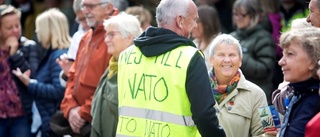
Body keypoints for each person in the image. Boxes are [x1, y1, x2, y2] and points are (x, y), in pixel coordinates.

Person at [116, 0, 226, 136]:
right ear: (180, 21)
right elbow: (204, 115)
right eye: (194, 20)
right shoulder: (190, 57)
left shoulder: (126, 56)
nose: (196, 25)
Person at [58, 0, 118, 136]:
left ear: (108, 7)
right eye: (84, 6)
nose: (85, 11)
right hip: (80, 122)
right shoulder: (86, 37)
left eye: (90, 6)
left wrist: (81, 112)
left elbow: (110, 87)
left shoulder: (118, 36)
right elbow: (72, 76)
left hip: (99, 122)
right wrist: (70, 108)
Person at [12, 8, 70, 137]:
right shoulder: (54, 54)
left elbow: (59, 90)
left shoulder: (59, 55)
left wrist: (30, 84)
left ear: (48, 30)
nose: (37, 32)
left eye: (39, 28)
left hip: (54, 125)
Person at [90, 12, 142, 137]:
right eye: (106, 35)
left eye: (111, 35)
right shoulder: (112, 66)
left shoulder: (138, 68)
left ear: (129, 38)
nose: (106, 40)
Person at [207, 34, 267, 137]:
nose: (227, 60)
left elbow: (266, 133)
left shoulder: (257, 94)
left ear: (240, 61)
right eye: (221, 55)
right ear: (211, 60)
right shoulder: (197, 89)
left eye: (232, 55)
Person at [0, 4, 39, 137]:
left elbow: (32, 76)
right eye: (9, 28)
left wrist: (15, 54)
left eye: (17, 26)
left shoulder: (29, 46)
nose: (15, 30)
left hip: (21, 115)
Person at [273, 27, 320, 137]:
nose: (281, 62)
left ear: (312, 61)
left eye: (290, 54)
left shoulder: (316, 100)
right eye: (283, 54)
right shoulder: (296, 93)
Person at [230, 0, 276, 105]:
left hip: (258, 97)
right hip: (234, 95)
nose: (238, 18)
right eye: (236, 14)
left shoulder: (264, 38)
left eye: (243, 14)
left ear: (254, 15)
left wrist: (239, 56)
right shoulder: (232, 37)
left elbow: (265, 69)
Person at [57, 0, 90, 87]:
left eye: (88, 18)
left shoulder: (108, 32)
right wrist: (66, 72)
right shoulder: (77, 37)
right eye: (81, 19)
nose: (86, 23)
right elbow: (65, 82)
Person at [192, 5, 221, 70]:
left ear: (207, 24)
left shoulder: (219, 45)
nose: (193, 25)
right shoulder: (193, 44)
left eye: (196, 21)